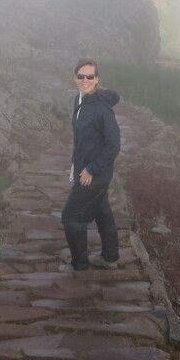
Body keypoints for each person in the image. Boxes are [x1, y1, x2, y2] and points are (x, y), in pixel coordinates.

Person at [60, 58, 122, 272]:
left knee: (70, 217)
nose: (85, 80)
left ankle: (79, 265)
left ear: (97, 79)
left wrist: (90, 169)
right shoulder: (79, 101)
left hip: (94, 175)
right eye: (81, 76)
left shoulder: (102, 109)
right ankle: (110, 258)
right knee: (102, 212)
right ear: (75, 78)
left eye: (90, 76)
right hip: (89, 172)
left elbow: (114, 145)